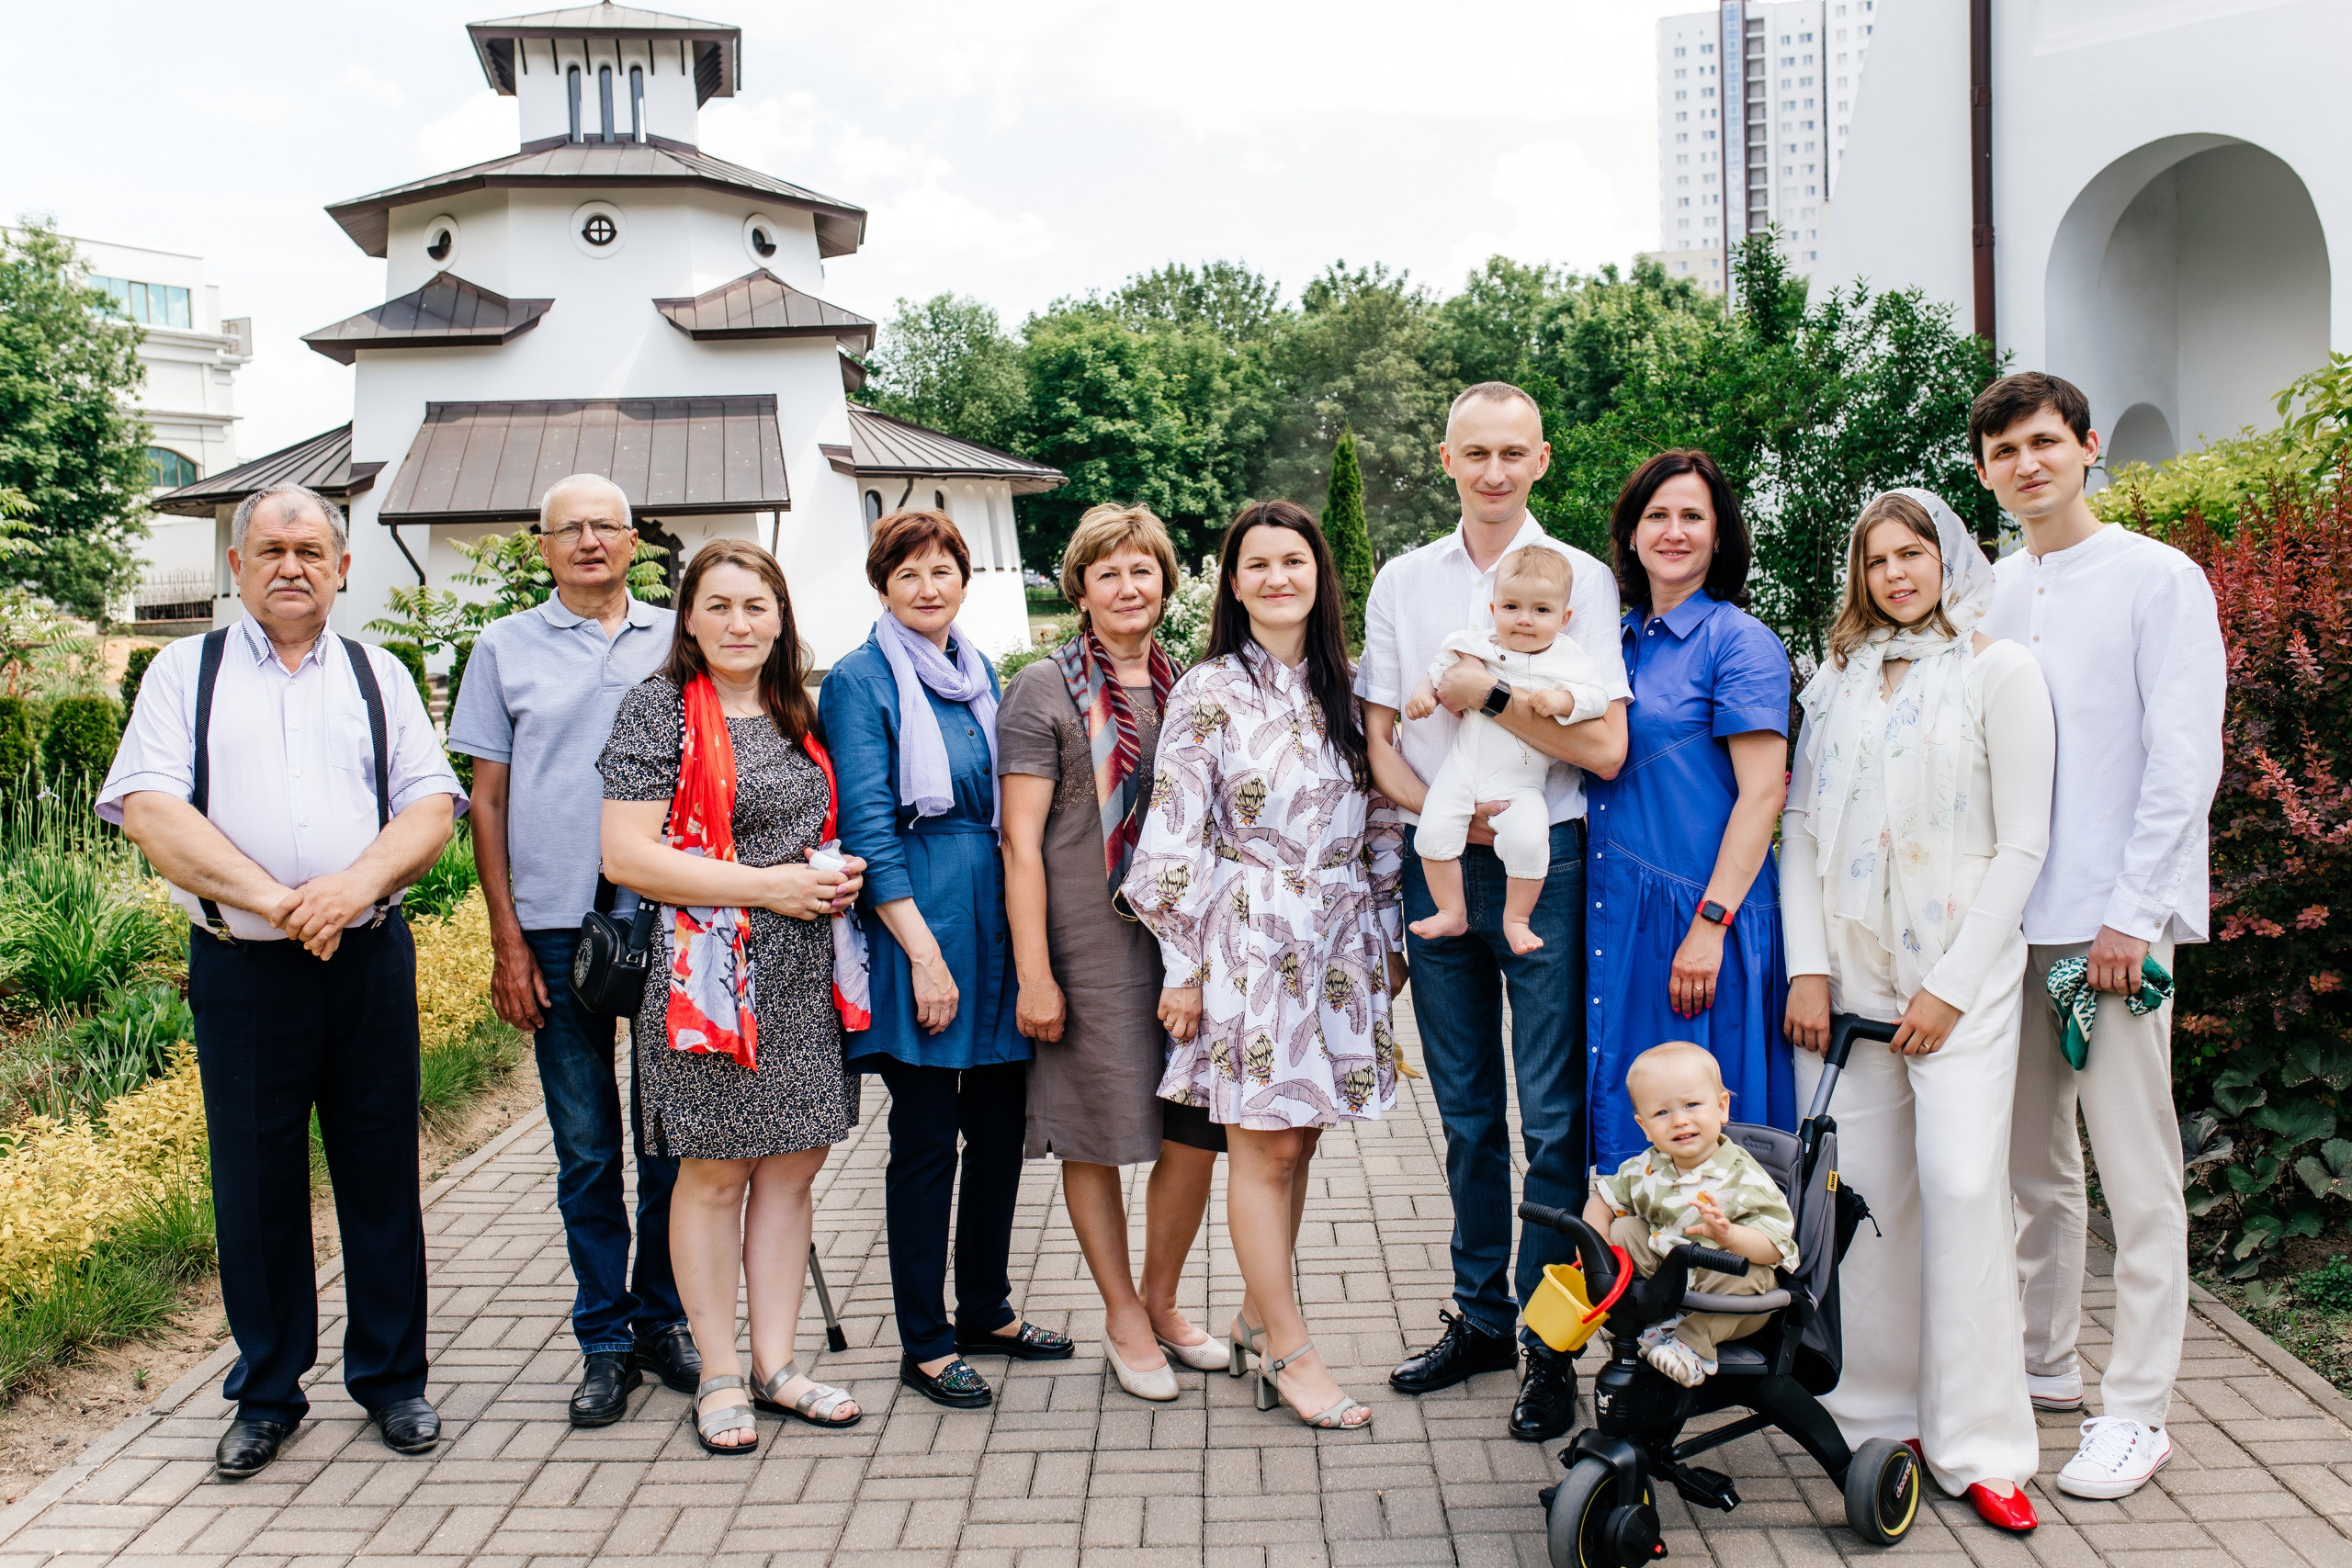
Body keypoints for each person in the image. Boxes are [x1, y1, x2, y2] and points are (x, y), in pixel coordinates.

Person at [100, 484, 465, 1479]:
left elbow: (431, 807)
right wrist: (278, 898)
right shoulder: (187, 671)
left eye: (311, 549)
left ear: (343, 568)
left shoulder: (376, 674)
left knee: (381, 1171)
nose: (291, 565)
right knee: (256, 1186)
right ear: (238, 567)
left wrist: (347, 890)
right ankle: (267, 1392)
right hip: (245, 968)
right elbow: (147, 810)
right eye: (270, 549)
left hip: (367, 960)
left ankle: (393, 1381)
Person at [1358, 381, 1631, 1443]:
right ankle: (1478, 1318)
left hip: (1544, 865)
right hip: (1442, 862)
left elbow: (1601, 744)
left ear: (1542, 459)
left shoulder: (1584, 581)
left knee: (1552, 1119)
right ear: (1445, 460)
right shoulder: (1403, 581)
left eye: (1513, 452)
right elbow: (1382, 741)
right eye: (1475, 453)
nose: (1494, 471)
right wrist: (1450, 815)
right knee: (1469, 1117)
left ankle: (1547, 1343)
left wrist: (1498, 703)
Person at [1781, 489, 2056, 1533]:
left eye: (1915, 553)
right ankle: (1873, 1411)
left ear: (1950, 560)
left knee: (1959, 1186)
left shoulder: (1999, 670)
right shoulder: (1837, 681)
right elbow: (1801, 825)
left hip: (1960, 986)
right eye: (1877, 559)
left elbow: (2023, 842)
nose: (1896, 573)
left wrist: (1947, 987)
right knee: (1870, 1199)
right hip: (1851, 982)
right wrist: (1808, 969)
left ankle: (1982, 1441)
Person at [1975, 373, 2225, 1500]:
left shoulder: (2155, 579)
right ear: (1984, 473)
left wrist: (2136, 910)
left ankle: (2138, 1409)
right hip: (2015, 927)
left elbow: (2184, 758)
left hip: (2114, 928)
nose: (2027, 464)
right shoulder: (1995, 588)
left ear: (2085, 448)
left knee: (2138, 1170)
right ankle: (2045, 1368)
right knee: (2035, 1166)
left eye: (2043, 443)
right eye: (2004, 452)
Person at [1124, 498, 1404, 1431]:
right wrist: (1182, 966)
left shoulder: (1350, 684)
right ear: (1232, 585)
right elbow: (1171, 838)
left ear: (1319, 576)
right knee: (1263, 1142)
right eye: (1257, 565)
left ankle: (1252, 1314)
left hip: (1339, 938)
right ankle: (1289, 1349)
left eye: (1294, 561)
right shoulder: (1208, 691)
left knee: (1304, 1137)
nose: (1277, 578)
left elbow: (1381, 821)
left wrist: (1387, 938)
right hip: (1247, 934)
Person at [598, 538, 866, 1455]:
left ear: (781, 616)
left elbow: (808, 828)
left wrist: (831, 877)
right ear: (689, 619)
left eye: (756, 606)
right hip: (706, 983)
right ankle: (717, 1374)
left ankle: (777, 1366)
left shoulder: (800, 708)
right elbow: (626, 856)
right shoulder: (659, 709)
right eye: (719, 606)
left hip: (801, 976)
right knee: (712, 1176)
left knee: (792, 1169)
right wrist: (772, 886)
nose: (739, 623)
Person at [447, 474, 698, 1428]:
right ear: (542, 547)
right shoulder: (503, 647)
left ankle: (662, 1320)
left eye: (606, 526)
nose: (589, 540)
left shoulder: (682, 636)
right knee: (587, 1148)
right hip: (555, 929)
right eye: (569, 529)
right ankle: (602, 1341)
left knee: (671, 1139)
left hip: (675, 919)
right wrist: (505, 938)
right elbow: (488, 800)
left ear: (635, 540)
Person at [820, 510, 1067, 1412]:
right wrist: (921, 954)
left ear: (965, 580)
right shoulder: (860, 680)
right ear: (882, 584)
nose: (928, 586)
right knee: (926, 1141)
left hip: (996, 920)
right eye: (908, 572)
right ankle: (923, 1341)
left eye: (943, 570)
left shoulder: (976, 672)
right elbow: (866, 828)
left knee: (999, 1127)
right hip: (916, 923)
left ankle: (987, 1309)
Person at [998, 503, 1224, 1403]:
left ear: (1165, 583)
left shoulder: (1199, 685)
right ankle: (1122, 1314)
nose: (1128, 589)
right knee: (1094, 1136)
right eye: (1107, 574)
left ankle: (1163, 1303)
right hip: (1086, 942)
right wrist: (1036, 974)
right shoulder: (1040, 690)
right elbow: (1018, 844)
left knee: (1196, 1132)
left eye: (1143, 571)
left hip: (1189, 943)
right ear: (1080, 590)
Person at [1584, 450, 1792, 1171]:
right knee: (1629, 1117)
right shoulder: (1610, 641)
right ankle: (1625, 1283)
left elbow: (1764, 792)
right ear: (1632, 534)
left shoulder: (1739, 641)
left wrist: (1710, 925)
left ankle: (1726, 1284)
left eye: (1693, 517)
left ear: (1720, 533)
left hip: (1704, 918)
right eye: (1657, 516)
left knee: (1708, 1132)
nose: (1674, 532)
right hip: (1619, 915)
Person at [1402, 545, 1611, 955]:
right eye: (1512, 606)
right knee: (1432, 833)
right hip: (1461, 770)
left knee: (1530, 842)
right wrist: (1422, 695)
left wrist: (1565, 702)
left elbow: (1597, 698)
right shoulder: (1477, 644)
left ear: (1564, 618)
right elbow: (1438, 669)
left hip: (1521, 782)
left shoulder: (1568, 659)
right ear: (1494, 608)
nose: (1525, 620)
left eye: (1542, 610)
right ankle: (1450, 910)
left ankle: (1516, 918)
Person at [1582, 1042, 1796, 1388]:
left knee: (1751, 1275)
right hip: (1670, 1278)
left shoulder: (1744, 1177)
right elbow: (1602, 1200)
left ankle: (1692, 1344)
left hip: (1726, 1289)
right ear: (1644, 1126)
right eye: (1662, 1113)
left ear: (1722, 1107)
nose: (1680, 1120)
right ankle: (1652, 1321)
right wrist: (1595, 1242)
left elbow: (1775, 1246)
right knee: (1620, 1229)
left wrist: (1730, 1236)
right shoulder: (1647, 1167)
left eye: (1692, 1105)